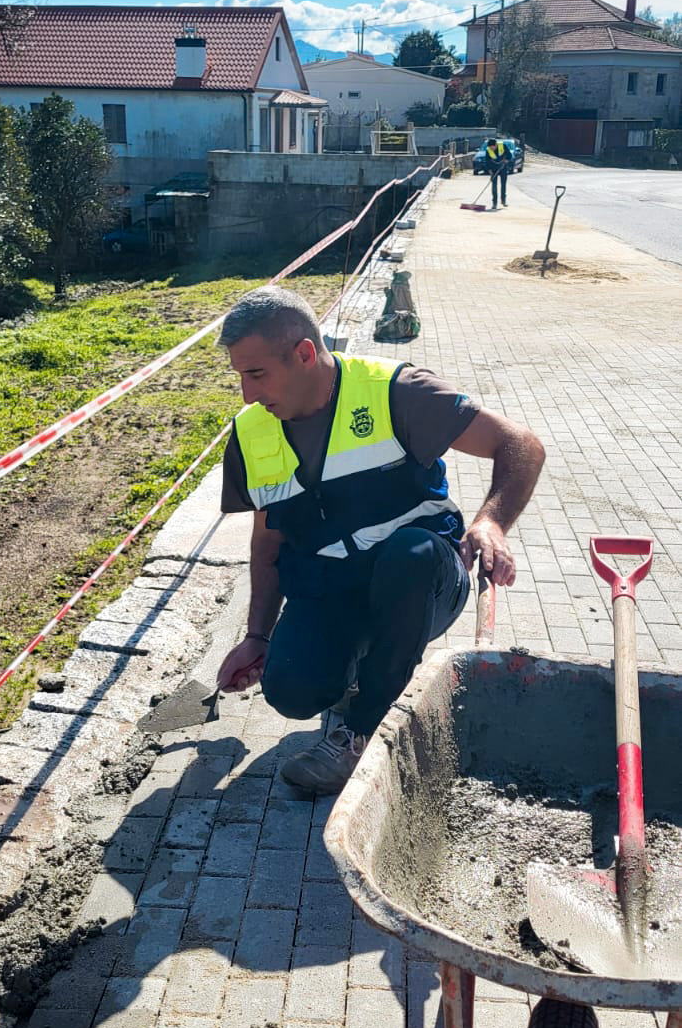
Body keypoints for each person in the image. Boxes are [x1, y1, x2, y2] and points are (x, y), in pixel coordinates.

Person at [216, 287, 545, 795]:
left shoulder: (395, 391)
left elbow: (520, 444)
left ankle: (361, 730)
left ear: (305, 353)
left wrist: (492, 522)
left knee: (406, 555)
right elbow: (267, 546)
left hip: (424, 577)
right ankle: (367, 667)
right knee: (292, 691)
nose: (247, 394)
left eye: (256, 374)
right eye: (239, 375)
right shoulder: (252, 433)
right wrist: (257, 635)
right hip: (336, 588)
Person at [485, 137, 511, 209]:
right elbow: (487, 161)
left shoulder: (503, 146)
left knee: (503, 184)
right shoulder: (488, 150)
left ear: (495, 145)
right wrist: (489, 170)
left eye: (492, 147)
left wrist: (506, 160)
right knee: (494, 186)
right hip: (493, 169)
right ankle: (494, 203)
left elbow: (509, 155)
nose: (491, 149)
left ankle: (503, 200)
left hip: (503, 168)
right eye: (490, 147)